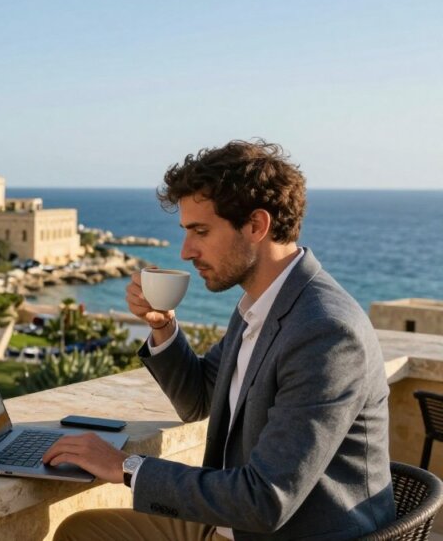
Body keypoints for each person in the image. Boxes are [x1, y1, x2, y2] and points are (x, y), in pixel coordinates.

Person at [43, 140, 395, 540]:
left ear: (256, 226)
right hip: (233, 525)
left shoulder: (326, 332)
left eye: (201, 231)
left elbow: (266, 499)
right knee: (82, 530)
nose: (186, 251)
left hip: (286, 532)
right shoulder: (260, 306)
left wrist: (126, 467)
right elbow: (199, 399)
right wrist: (162, 326)